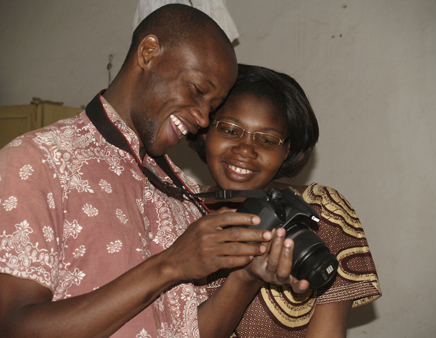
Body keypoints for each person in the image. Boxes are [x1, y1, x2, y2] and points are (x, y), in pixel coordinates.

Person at [0, 5, 308, 338]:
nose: (204, 119)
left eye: (213, 107)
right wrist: (169, 265)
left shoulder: (184, 191)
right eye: (198, 90)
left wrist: (246, 278)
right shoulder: (39, 160)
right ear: (148, 53)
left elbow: (189, 332)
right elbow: (13, 326)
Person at [187, 64, 382, 337]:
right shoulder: (172, 209)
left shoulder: (321, 213)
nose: (245, 149)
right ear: (206, 130)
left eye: (267, 139)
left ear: (286, 150)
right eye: (230, 130)